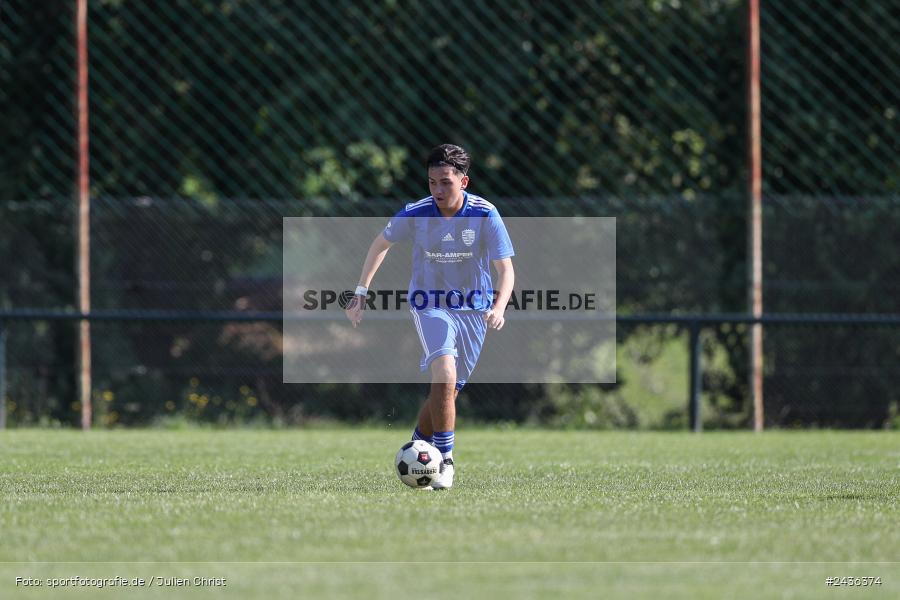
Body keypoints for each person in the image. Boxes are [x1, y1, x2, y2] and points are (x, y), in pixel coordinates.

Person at [345, 144, 515, 490]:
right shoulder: (417, 213)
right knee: (444, 372)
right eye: (432, 182)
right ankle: (446, 461)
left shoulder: (485, 214)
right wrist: (361, 291)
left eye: (445, 183)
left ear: (463, 181)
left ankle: (420, 444)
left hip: (474, 311)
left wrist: (498, 307)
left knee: (448, 392)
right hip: (429, 304)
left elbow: (505, 270)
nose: (437, 190)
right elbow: (380, 243)